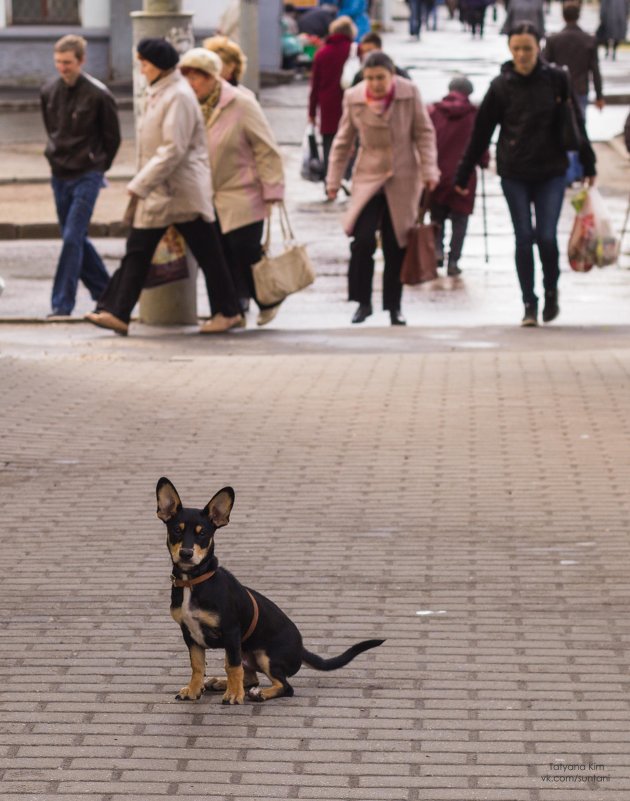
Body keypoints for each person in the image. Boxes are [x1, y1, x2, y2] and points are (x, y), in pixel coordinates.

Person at [85, 37, 242, 336]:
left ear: (157, 65)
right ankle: (116, 311)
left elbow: (173, 149)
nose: (141, 69)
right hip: (165, 190)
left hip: (178, 191)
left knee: (205, 252)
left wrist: (140, 182)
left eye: (144, 63)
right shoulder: (163, 92)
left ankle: (228, 311)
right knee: (140, 250)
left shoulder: (177, 96)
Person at [454, 22, 596, 327]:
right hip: (514, 171)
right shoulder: (501, 86)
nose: (522, 54)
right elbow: (481, 133)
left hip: (551, 171)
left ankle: (551, 291)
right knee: (523, 238)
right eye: (516, 48)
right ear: (509, 48)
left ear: (538, 48)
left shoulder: (557, 79)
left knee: (545, 236)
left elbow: (577, 123)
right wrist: (462, 173)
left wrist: (589, 163)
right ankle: (528, 303)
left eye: (527, 49)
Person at [326, 51, 439, 326]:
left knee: (395, 243)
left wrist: (429, 170)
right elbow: (343, 141)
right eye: (370, 78)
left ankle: (394, 307)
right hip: (368, 175)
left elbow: (424, 133)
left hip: (402, 175)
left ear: (392, 76)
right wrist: (332, 179)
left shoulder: (409, 93)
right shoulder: (354, 97)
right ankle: (363, 303)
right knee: (362, 240)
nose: (375, 84)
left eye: (381, 78)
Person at [179, 48, 286, 327]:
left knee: (244, 251)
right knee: (219, 256)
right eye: (187, 78)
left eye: (197, 78)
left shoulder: (240, 103)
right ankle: (231, 310)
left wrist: (273, 188)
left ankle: (268, 298)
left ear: (212, 77)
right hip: (206, 193)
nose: (191, 84)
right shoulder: (190, 106)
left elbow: (265, 147)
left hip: (242, 191)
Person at [40, 34, 121, 319]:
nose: (63, 67)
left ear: (81, 61)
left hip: (87, 173)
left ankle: (62, 304)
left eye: (68, 62)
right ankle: (108, 294)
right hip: (60, 172)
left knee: (73, 237)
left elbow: (112, 138)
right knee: (74, 238)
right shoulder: (49, 90)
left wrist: (97, 166)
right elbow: (51, 128)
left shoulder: (98, 94)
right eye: (59, 62)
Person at [428, 75, 488, 276]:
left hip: (438, 173)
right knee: (460, 219)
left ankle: (437, 250)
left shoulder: (434, 111)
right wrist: (484, 162)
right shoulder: (474, 114)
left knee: (437, 215)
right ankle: (454, 260)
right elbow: (480, 142)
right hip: (465, 176)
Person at [543, 2, 604, 184]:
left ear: (564, 16)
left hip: (560, 92)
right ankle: (576, 171)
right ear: (579, 15)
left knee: (564, 130)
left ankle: (569, 173)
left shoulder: (554, 40)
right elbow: (595, 70)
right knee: (578, 130)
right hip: (580, 90)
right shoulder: (588, 39)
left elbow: (544, 66)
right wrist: (599, 95)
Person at [308, 16, 357, 184]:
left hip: (327, 106)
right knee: (351, 140)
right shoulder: (354, 51)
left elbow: (314, 86)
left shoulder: (322, 53)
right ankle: (347, 178)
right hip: (352, 105)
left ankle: (331, 182)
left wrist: (312, 112)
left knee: (330, 143)